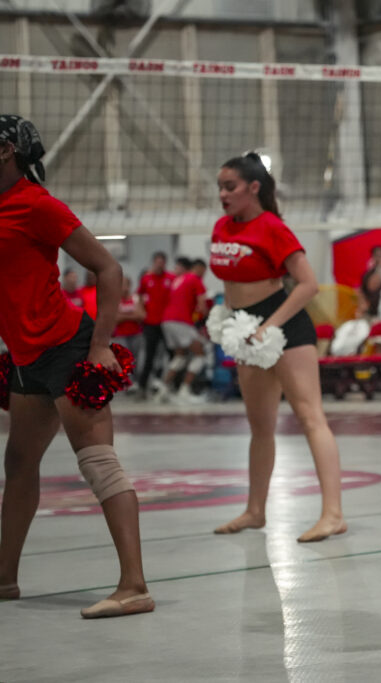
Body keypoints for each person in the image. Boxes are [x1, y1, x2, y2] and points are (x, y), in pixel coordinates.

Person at [0, 114, 153, 617]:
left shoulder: (37, 205)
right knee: (19, 464)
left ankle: (134, 587)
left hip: (67, 348)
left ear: (7, 151)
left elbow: (109, 268)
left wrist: (100, 347)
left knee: (98, 464)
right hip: (25, 357)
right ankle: (5, 579)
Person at [210, 152, 347, 544]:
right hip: (245, 329)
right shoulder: (221, 226)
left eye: (230, 186)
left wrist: (269, 327)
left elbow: (307, 284)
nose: (223, 194)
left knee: (309, 416)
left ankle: (333, 514)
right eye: (219, 187)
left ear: (254, 188)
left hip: (284, 326)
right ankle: (255, 510)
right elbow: (230, 282)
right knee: (260, 426)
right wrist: (229, 320)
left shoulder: (272, 227)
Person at [152, 257, 208, 403]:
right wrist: (205, 322)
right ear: (199, 268)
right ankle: (184, 390)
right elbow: (202, 307)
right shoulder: (195, 278)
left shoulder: (177, 280)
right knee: (200, 354)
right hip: (181, 321)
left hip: (167, 321)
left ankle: (163, 391)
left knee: (180, 356)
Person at [135, 251, 174, 396]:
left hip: (166, 323)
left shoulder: (171, 278)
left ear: (165, 263)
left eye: (162, 262)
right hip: (150, 323)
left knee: (171, 354)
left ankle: (169, 384)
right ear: (153, 262)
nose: (159, 265)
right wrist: (140, 310)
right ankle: (142, 386)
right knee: (149, 356)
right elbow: (139, 294)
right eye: (157, 262)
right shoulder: (146, 278)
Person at [112, 274, 145, 382]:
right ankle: (127, 381)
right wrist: (132, 316)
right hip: (121, 334)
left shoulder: (135, 298)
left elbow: (141, 315)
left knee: (136, 358)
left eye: (125, 284)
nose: (123, 287)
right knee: (125, 358)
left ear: (129, 285)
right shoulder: (115, 300)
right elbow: (115, 318)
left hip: (136, 333)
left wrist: (123, 316)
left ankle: (136, 381)